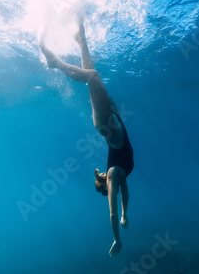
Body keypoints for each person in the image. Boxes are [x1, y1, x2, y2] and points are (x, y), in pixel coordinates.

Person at [40, 19, 134, 258]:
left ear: (105, 184)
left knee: (92, 77)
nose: (104, 177)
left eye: (106, 184)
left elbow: (111, 211)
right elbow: (123, 199)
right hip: (115, 121)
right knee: (94, 77)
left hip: (107, 125)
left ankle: (56, 63)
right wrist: (125, 216)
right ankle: (80, 39)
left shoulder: (113, 174)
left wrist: (116, 237)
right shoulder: (118, 178)